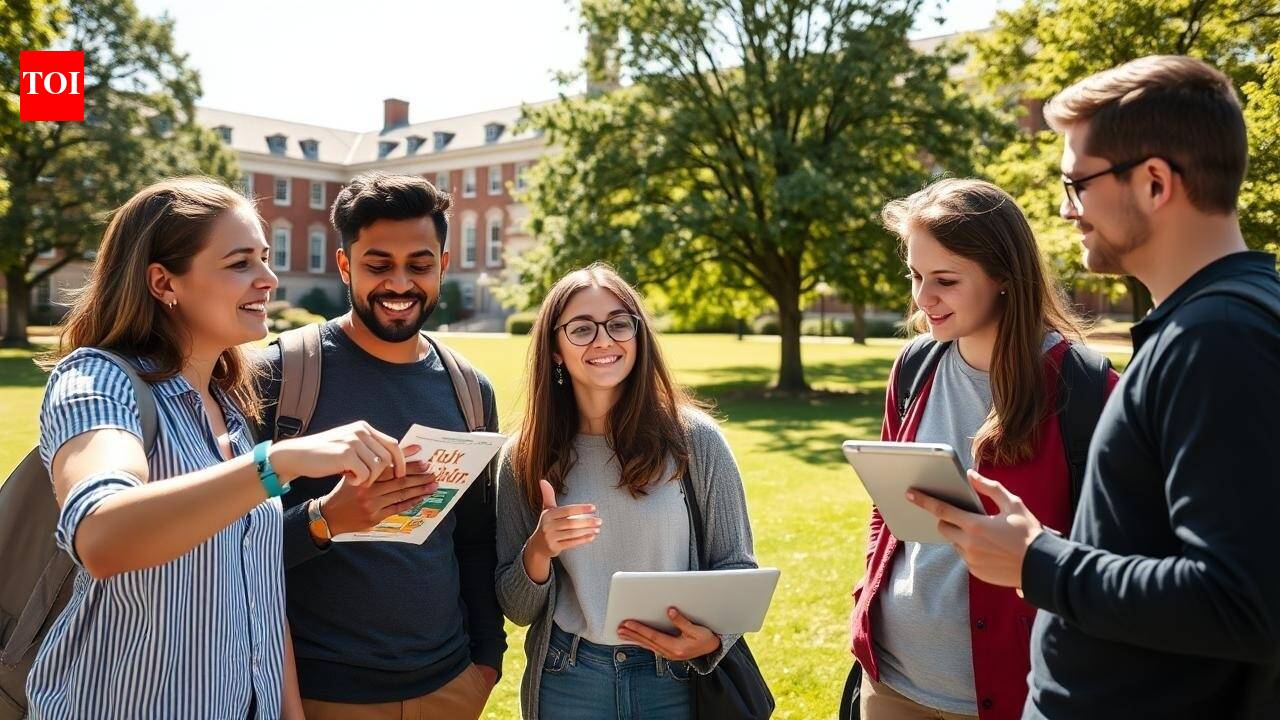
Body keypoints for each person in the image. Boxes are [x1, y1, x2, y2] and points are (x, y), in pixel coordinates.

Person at [907, 56, 1280, 719]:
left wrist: (1036, 560)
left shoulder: (1218, 337)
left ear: (1155, 182)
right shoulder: (1217, 320)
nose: (1064, 207)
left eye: (1077, 182)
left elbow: (1239, 600)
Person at [28, 177, 410, 719]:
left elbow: (261, 596)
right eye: (240, 263)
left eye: (265, 258)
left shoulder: (229, 407)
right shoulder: (95, 381)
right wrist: (277, 462)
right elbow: (101, 534)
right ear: (163, 282)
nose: (269, 279)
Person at [849, 178, 1118, 720]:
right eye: (916, 276)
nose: (923, 300)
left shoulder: (1087, 388)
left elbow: (1117, 554)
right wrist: (866, 597)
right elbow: (888, 507)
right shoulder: (913, 367)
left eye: (944, 280)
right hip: (894, 677)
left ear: (1003, 277)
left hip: (1018, 687)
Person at [256, 172, 506, 720]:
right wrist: (325, 520)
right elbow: (226, 549)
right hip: (321, 695)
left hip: (451, 686)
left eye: (419, 264)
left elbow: (474, 540)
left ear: (442, 264)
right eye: (378, 265)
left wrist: (487, 660)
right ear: (345, 265)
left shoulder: (469, 389)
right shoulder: (281, 375)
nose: (400, 284)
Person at [494, 263, 757, 720]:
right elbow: (517, 608)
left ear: (638, 336)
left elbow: (737, 566)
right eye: (581, 329)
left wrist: (713, 639)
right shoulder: (525, 454)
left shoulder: (694, 440)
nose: (603, 340)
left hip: (674, 678)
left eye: (618, 324)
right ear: (555, 349)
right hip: (570, 677)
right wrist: (538, 551)